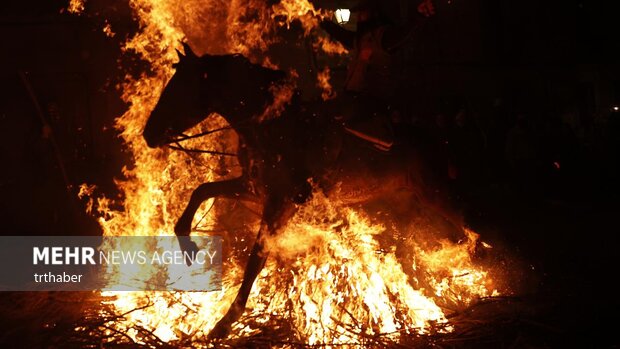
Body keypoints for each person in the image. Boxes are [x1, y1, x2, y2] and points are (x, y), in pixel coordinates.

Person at [319, 0, 435, 150]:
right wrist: (321, 21)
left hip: (371, 103)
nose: (359, 16)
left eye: (363, 12)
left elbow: (402, 34)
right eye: (359, 13)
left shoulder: (381, 37)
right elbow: (342, 35)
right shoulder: (359, 39)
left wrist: (419, 16)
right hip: (354, 101)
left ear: (374, 13)